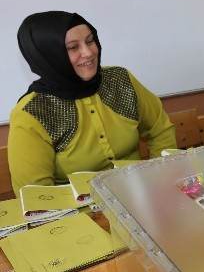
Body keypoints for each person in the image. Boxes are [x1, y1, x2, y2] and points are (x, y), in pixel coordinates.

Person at [8, 11, 176, 195]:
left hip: (142, 193)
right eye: (73, 47)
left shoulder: (120, 79)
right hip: (78, 208)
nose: (88, 53)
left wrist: (161, 180)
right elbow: (36, 196)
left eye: (90, 41)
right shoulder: (32, 113)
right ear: (48, 55)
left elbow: (160, 129)